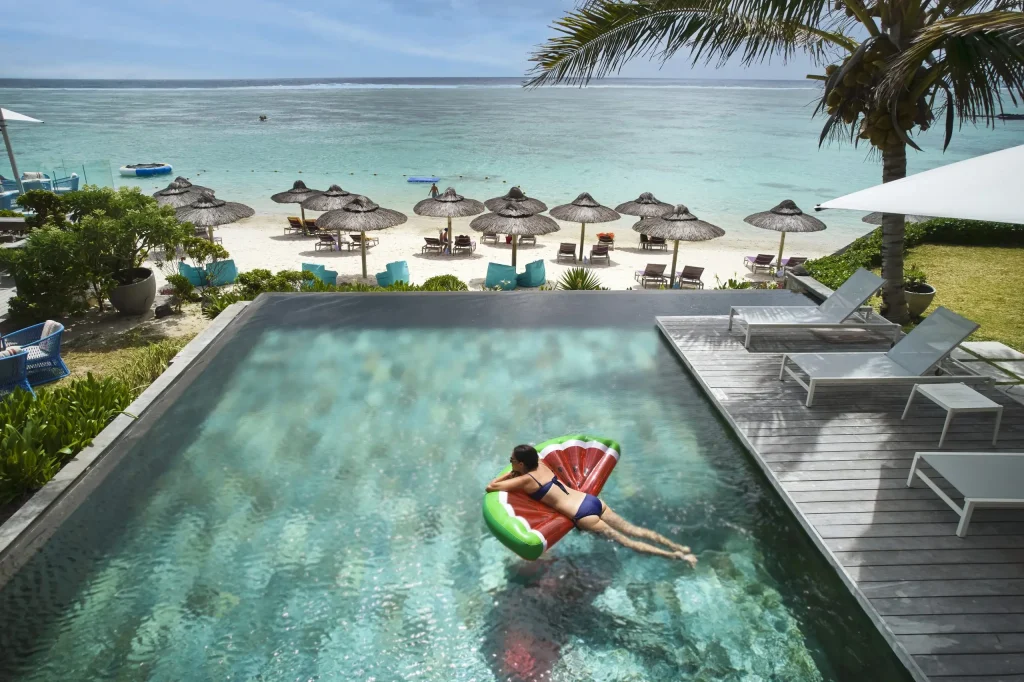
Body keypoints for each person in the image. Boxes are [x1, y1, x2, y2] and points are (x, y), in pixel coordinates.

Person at [486, 445, 697, 565]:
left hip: (582, 515)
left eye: (511, 459)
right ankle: (679, 547)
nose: (510, 461)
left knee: (628, 543)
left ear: (521, 464)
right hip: (591, 500)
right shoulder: (541, 464)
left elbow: (492, 486)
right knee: (634, 530)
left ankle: (676, 557)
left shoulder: (525, 479)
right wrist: (518, 466)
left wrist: (511, 471)